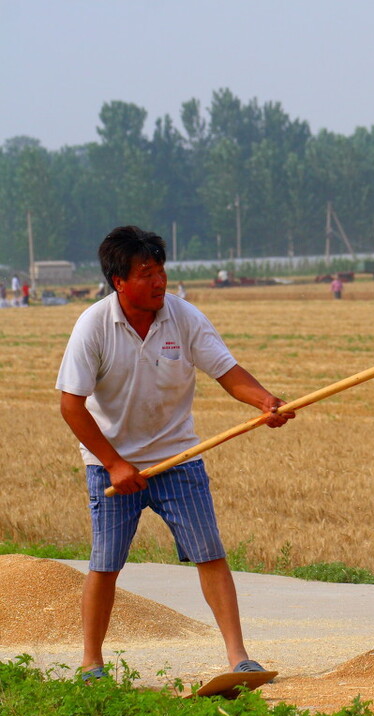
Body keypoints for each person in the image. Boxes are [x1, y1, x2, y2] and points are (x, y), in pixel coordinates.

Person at [56, 225, 295, 681]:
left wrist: (264, 401)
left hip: (178, 458)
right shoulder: (93, 326)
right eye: (146, 273)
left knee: (210, 554)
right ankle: (91, 663)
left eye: (161, 270)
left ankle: (239, 657)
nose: (160, 282)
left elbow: (226, 370)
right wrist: (114, 464)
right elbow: (71, 406)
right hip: (113, 466)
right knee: (105, 564)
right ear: (119, 282)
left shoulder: (183, 317)